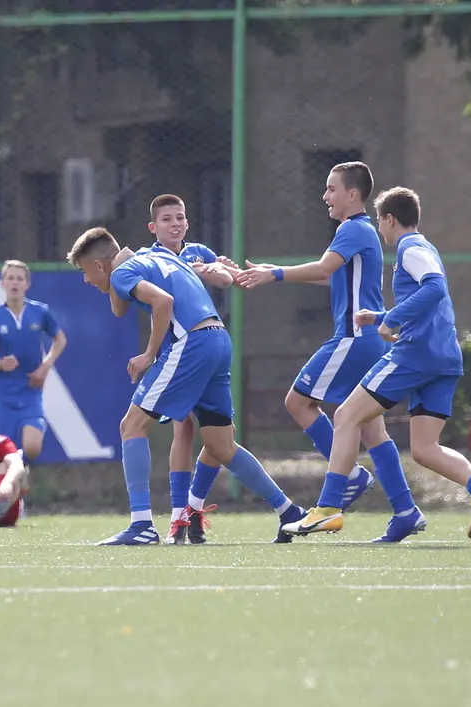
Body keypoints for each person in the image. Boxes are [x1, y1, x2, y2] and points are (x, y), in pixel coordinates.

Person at [283, 187, 471, 541]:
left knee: (346, 416)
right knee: (424, 449)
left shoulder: (409, 248)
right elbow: (427, 302)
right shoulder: (425, 247)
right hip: (444, 358)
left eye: (380, 220)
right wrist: (379, 317)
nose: (380, 228)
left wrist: (391, 320)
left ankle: (327, 509)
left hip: (416, 354)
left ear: (390, 219)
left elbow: (435, 288)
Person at [68, 227, 305, 545]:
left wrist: (149, 354)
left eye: (85, 272)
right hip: (218, 339)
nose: (86, 280)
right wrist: (116, 270)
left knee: (131, 425)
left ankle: (141, 525)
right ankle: (289, 512)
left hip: (190, 343)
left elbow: (162, 301)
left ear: (99, 265)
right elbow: (119, 307)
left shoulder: (124, 271)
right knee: (221, 445)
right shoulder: (156, 256)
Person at [237, 162, 392, 518]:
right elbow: (331, 276)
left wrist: (275, 275)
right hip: (369, 338)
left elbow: (324, 268)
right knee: (372, 429)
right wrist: (272, 272)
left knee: (298, 401)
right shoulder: (362, 230)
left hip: (353, 337)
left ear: (352, 195)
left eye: (331, 189)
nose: (325, 196)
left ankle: (349, 478)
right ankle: (405, 510)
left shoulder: (351, 228)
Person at [121, 194, 235, 544]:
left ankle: (192, 508)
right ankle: (178, 517)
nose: (175, 224)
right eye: (167, 219)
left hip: (201, 345)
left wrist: (218, 269)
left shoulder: (196, 251)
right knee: (183, 429)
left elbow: (226, 278)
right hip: (180, 349)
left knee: (218, 438)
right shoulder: (149, 256)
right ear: (153, 227)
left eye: (180, 218)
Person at [0, 259, 66, 462]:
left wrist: (45, 366)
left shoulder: (40, 312)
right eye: (10, 278)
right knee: (4, 453)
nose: (15, 282)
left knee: (32, 447)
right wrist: (0, 364)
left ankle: (21, 469)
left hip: (30, 390)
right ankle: (16, 476)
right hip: (4, 392)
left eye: (19, 278)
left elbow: (60, 339)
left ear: (27, 284)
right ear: (3, 283)